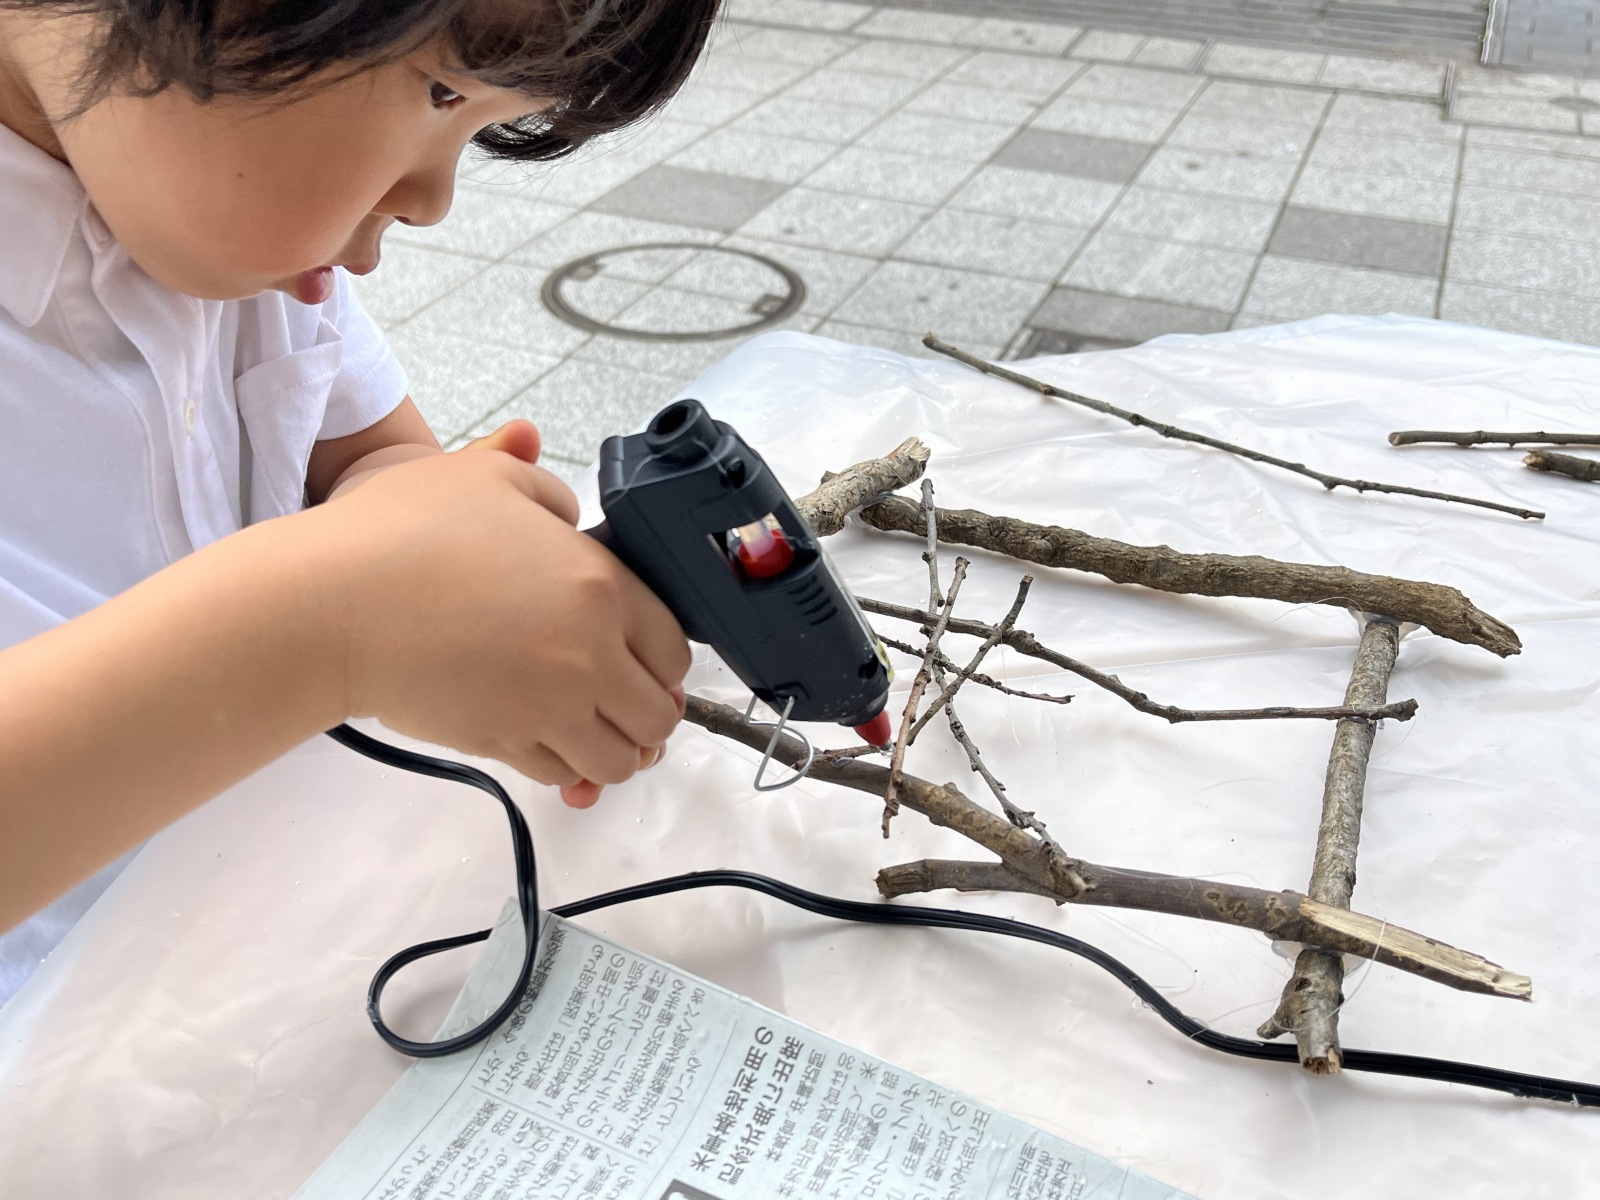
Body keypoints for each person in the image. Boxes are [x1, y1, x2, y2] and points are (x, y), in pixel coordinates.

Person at [0, 0, 718, 1005]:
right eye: (443, 91)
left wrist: (452, 575)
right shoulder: (195, 187)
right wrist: (330, 624)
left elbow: (372, 454)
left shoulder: (229, 240)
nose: (432, 201)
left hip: (235, 957)